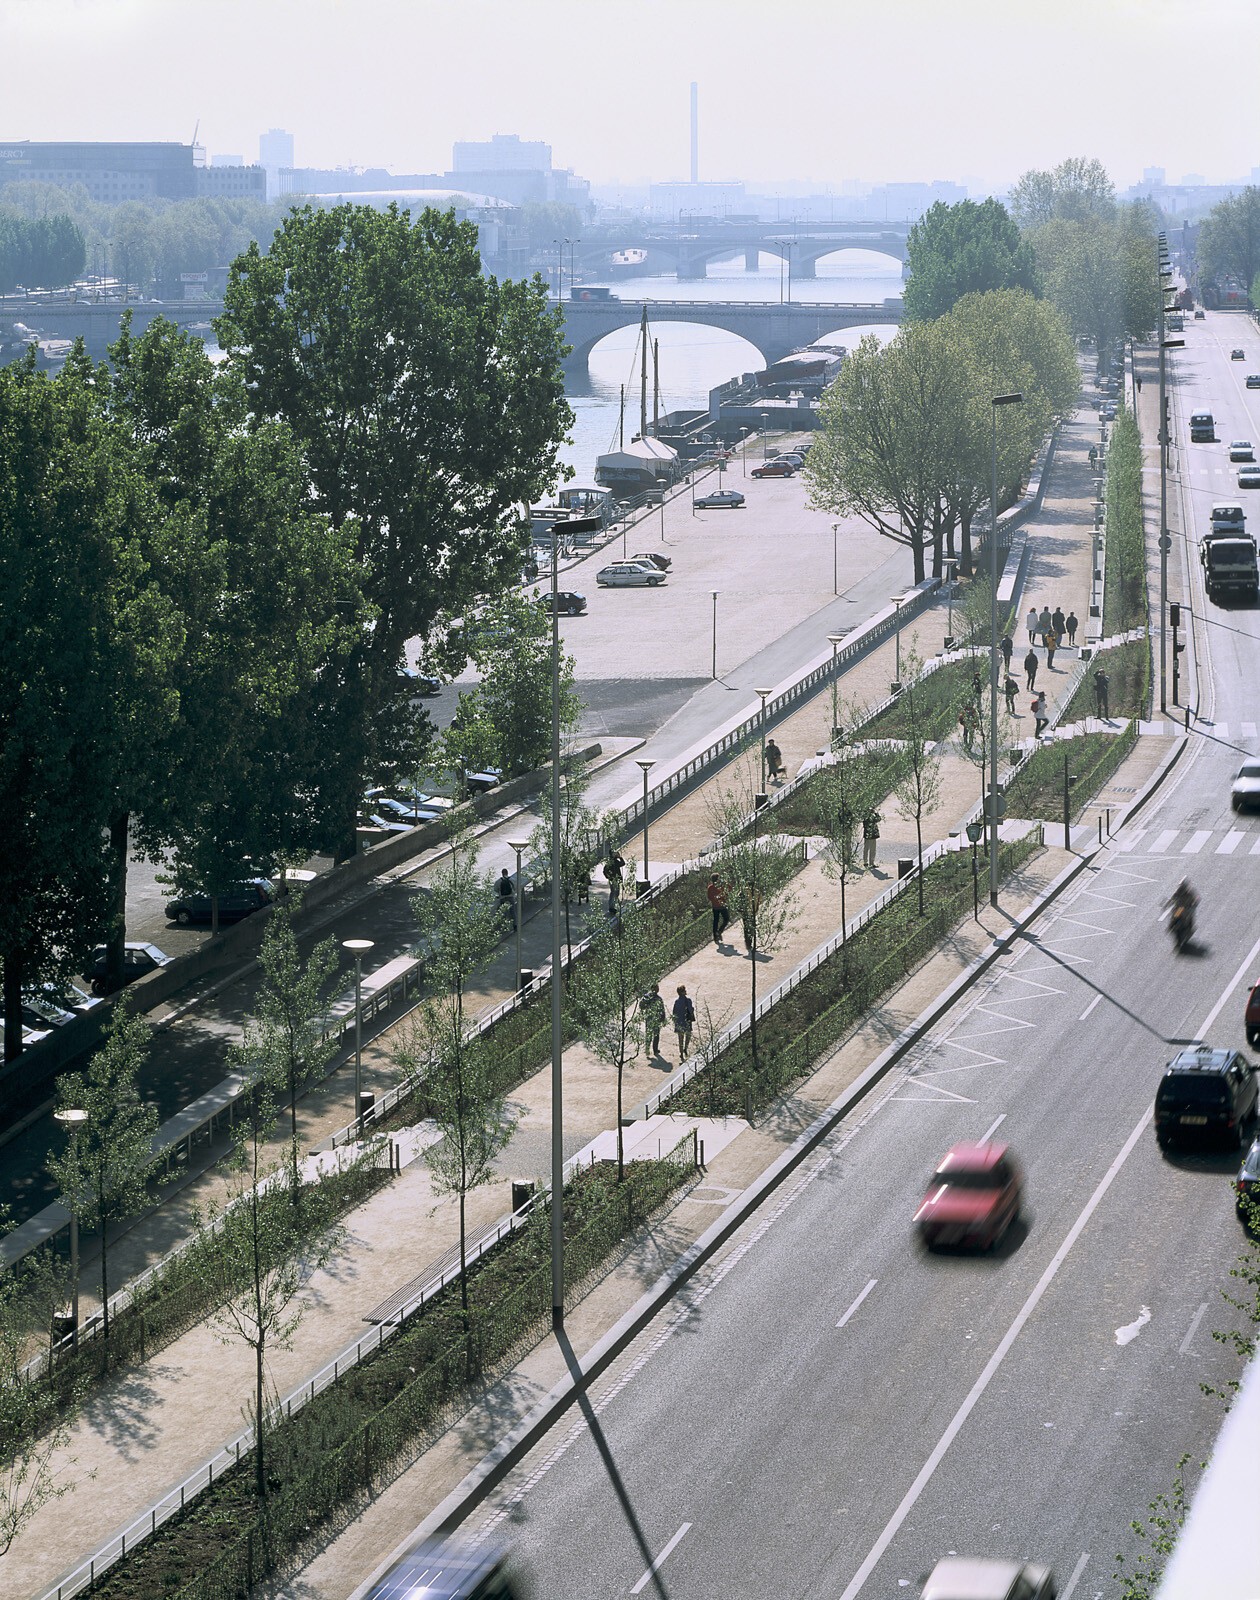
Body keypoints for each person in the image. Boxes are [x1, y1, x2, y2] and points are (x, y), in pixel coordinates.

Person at [639, 984, 666, 1056]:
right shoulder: (656, 998)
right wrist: (663, 1018)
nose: (658, 989)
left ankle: (649, 1049)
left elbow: (641, 1005)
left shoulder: (647, 996)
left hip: (650, 1018)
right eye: (657, 988)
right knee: (655, 1034)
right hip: (654, 1018)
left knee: (650, 1034)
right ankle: (654, 1050)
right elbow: (662, 1009)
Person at [672, 985, 695, 1058]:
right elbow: (691, 1010)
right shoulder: (688, 1000)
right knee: (688, 1036)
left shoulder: (676, 1001)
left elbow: (674, 1012)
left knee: (680, 1038)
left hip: (679, 1022)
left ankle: (681, 1052)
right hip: (687, 1021)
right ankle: (685, 1048)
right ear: (682, 992)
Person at [707, 874, 731, 943]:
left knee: (716, 921)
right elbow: (730, 889)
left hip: (715, 906)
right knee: (726, 919)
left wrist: (714, 900)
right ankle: (719, 931)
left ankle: (715, 936)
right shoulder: (722, 886)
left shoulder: (710, 887)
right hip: (722, 905)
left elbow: (709, 897)